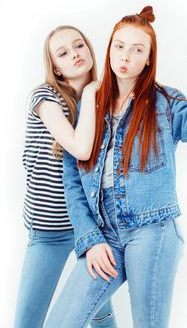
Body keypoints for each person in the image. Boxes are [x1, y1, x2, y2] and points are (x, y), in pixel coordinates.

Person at [44, 6, 187, 328]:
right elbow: (72, 179)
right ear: (110, 48)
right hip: (104, 234)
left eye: (137, 49)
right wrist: (90, 238)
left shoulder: (165, 103)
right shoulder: (90, 104)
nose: (126, 55)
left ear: (149, 59)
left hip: (153, 232)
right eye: (119, 46)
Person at [14, 26, 117, 328]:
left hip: (89, 228)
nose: (74, 54)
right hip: (49, 230)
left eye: (79, 45)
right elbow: (80, 148)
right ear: (55, 67)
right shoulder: (45, 98)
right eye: (63, 52)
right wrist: (89, 92)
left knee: (101, 315)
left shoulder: (103, 99)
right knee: (28, 322)